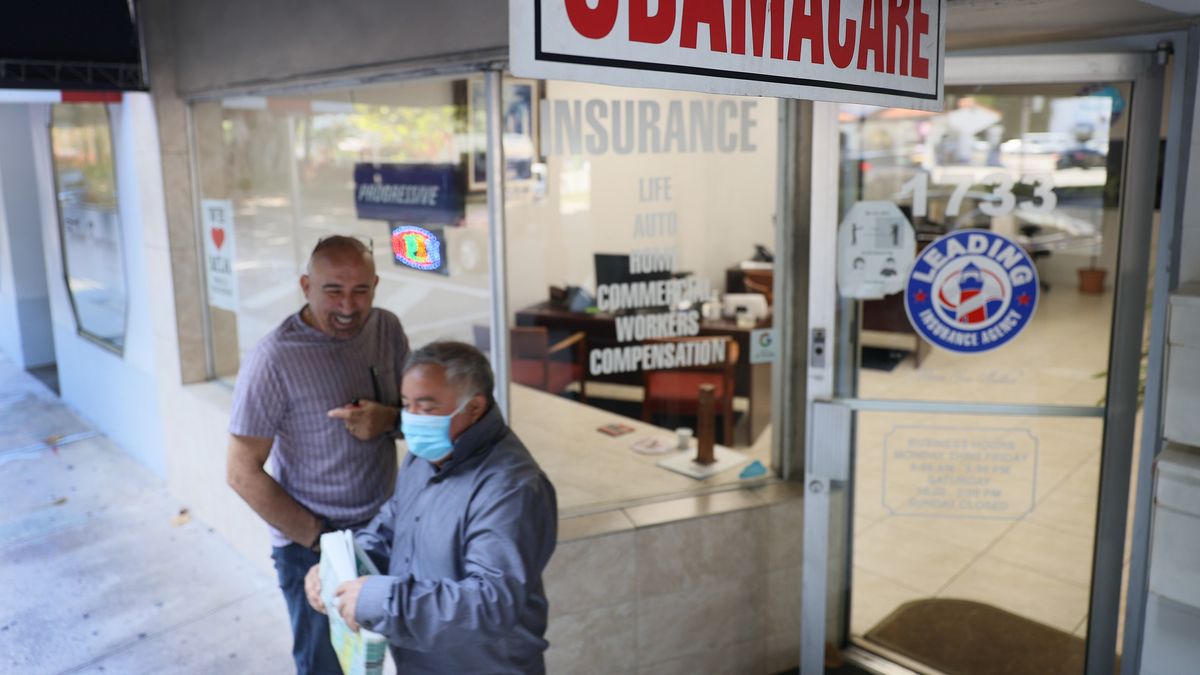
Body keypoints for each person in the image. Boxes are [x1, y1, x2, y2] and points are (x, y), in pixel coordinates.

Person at [303, 341, 558, 674]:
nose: (412, 421)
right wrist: (336, 570)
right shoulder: (426, 457)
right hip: (418, 660)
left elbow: (490, 602)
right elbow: (391, 527)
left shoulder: (511, 489)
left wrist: (380, 600)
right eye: (406, 405)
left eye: (426, 408)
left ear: (475, 407)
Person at [226, 235, 409, 674]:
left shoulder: (386, 329)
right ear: (305, 285)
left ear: (376, 286)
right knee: (325, 666)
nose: (348, 306)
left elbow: (415, 417)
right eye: (333, 291)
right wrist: (320, 541)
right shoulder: (273, 359)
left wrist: (387, 420)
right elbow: (240, 473)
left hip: (383, 533)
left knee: (384, 664)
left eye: (360, 290)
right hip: (311, 547)